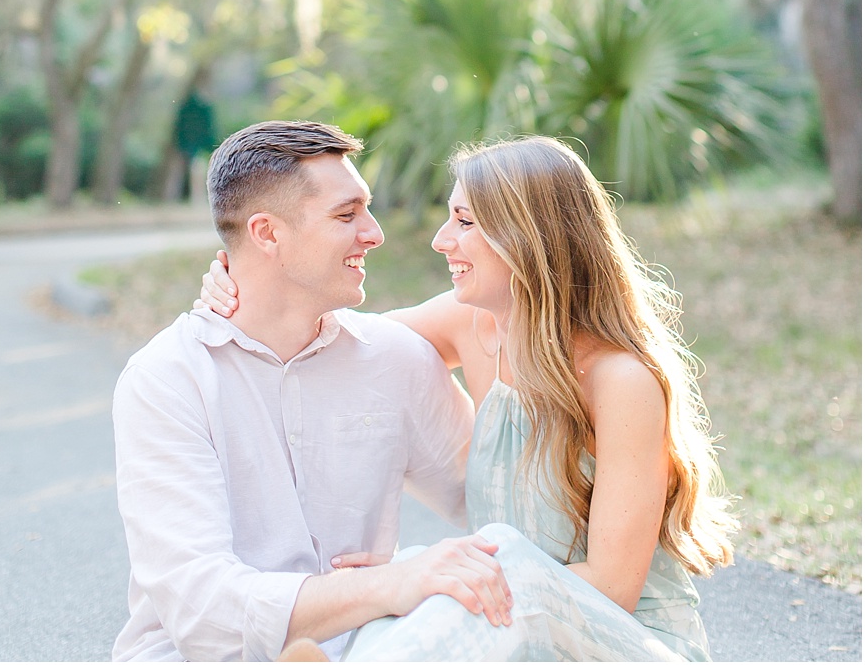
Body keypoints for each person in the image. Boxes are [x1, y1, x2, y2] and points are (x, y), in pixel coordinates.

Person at [200, 135, 734, 661]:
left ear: (530, 237)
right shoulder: (471, 326)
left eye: (465, 221)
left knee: (473, 568)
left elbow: (613, 589)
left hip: (625, 640)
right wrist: (245, 273)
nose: (440, 240)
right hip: (512, 626)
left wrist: (439, 577)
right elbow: (329, 344)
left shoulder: (621, 381)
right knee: (414, 578)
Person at [112, 120, 516, 663]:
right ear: (267, 234)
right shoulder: (167, 379)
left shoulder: (395, 358)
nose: (374, 233)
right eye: (346, 215)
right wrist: (388, 583)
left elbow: (499, 513)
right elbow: (204, 614)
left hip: (367, 650)